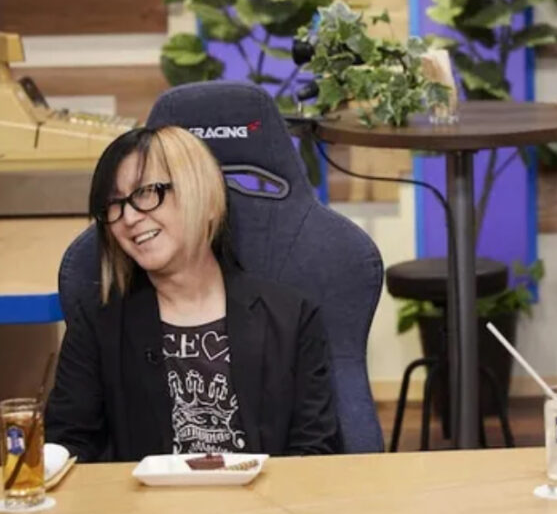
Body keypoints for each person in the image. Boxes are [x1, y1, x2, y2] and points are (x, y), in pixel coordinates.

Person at [46, 126, 340, 461]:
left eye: (146, 192)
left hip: (267, 494)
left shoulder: (292, 318)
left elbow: (314, 450)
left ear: (205, 197)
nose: (128, 217)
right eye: (114, 203)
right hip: (145, 497)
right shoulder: (98, 325)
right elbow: (68, 442)